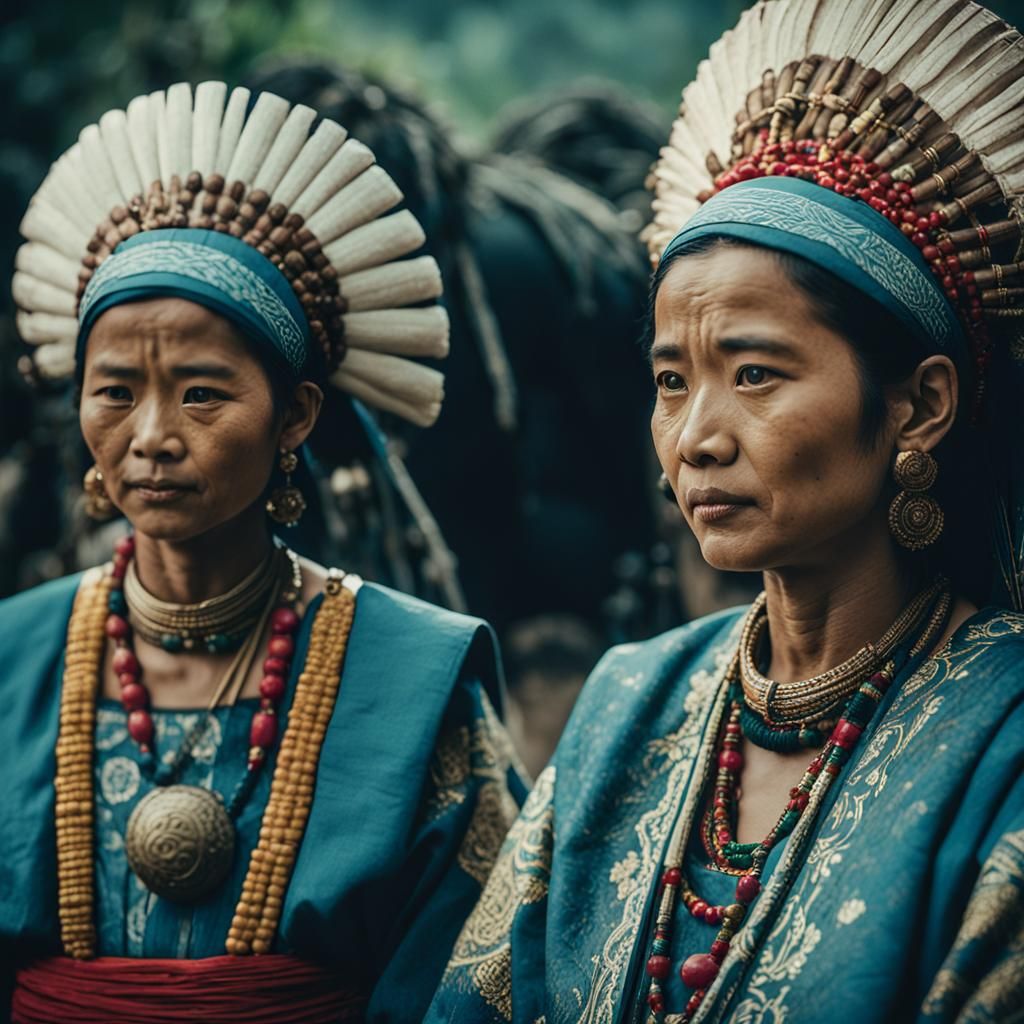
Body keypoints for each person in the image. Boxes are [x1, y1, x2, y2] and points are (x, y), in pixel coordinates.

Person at [428, 0, 1024, 1020]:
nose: (696, 435)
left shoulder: (1004, 731)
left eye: (754, 374)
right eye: (670, 381)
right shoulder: (630, 703)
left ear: (919, 403)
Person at [1, 80, 524, 1022]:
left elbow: (478, 970)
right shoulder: (14, 659)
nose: (152, 435)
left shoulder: (410, 679)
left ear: (295, 415)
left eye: (202, 394)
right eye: (115, 392)